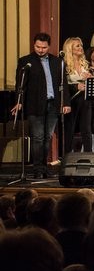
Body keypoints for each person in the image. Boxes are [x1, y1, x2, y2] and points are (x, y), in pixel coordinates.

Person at [12, 33, 70, 178]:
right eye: (38, 47)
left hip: (53, 103)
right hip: (35, 104)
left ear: (48, 46)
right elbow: (20, 85)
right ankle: (37, 168)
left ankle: (44, 166)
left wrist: (66, 103)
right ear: (34, 45)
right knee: (38, 137)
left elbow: (64, 84)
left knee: (48, 137)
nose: (41, 50)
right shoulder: (26, 61)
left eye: (44, 47)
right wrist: (18, 102)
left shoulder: (57, 62)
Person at [62, 37, 92, 153]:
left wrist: (90, 79)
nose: (81, 48)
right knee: (70, 128)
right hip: (72, 99)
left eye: (81, 45)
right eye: (77, 46)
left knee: (86, 128)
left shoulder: (84, 64)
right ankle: (67, 155)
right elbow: (62, 85)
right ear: (70, 49)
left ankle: (89, 155)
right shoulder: (64, 65)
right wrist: (76, 87)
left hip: (85, 99)